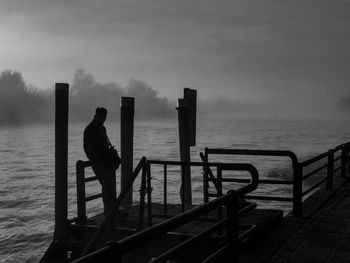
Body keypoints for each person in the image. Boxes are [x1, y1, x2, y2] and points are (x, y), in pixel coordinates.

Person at [83, 107, 119, 225]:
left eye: (104, 118)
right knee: (109, 186)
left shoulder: (94, 129)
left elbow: (89, 149)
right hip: (99, 163)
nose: (103, 120)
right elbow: (89, 149)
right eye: (102, 118)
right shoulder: (92, 129)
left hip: (102, 162)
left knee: (108, 187)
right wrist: (98, 158)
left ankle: (110, 212)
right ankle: (110, 212)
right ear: (97, 116)